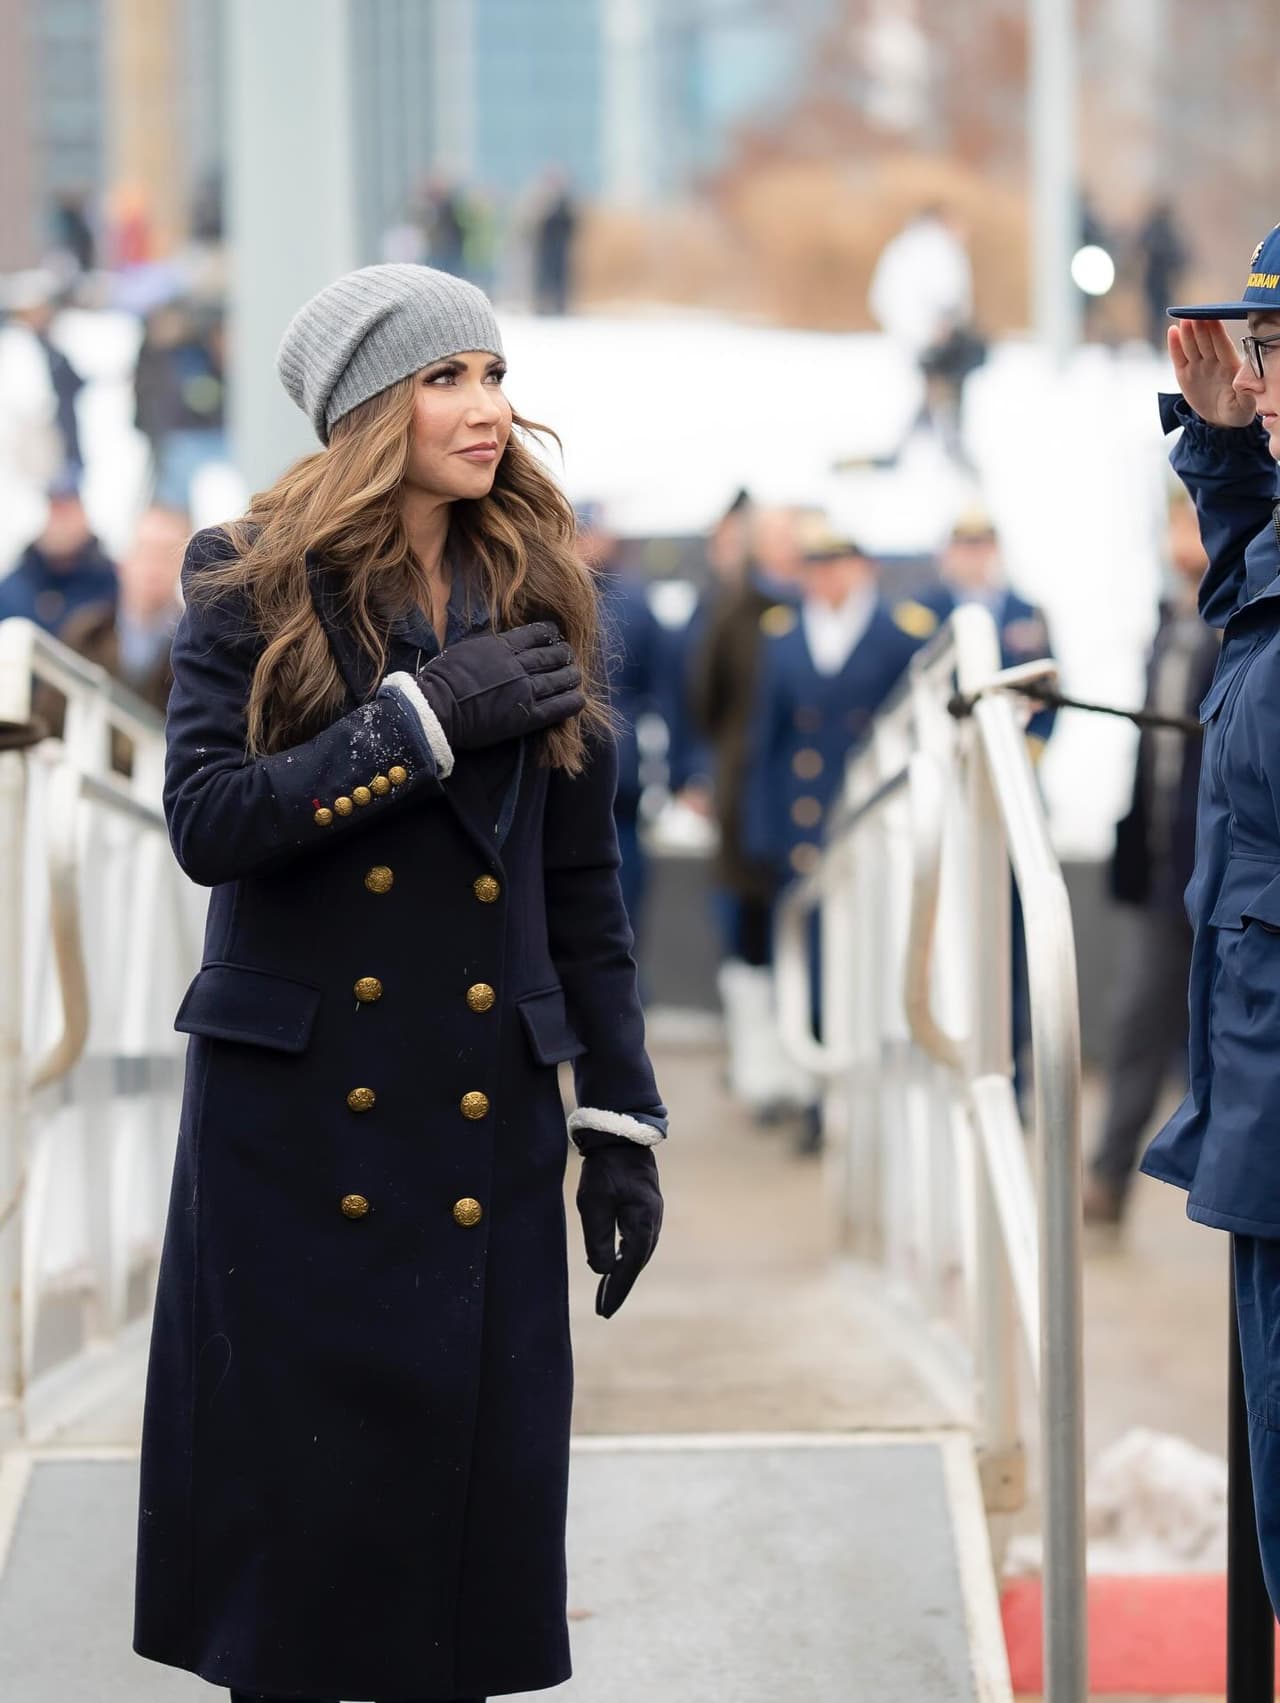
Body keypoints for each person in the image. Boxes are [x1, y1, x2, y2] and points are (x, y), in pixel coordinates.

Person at [132, 263, 667, 1703]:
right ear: (374, 406)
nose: (487, 408)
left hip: (481, 1122)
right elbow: (208, 822)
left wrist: (621, 1118)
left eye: (493, 374)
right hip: (295, 1139)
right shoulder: (244, 572)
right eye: (447, 379)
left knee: (454, 1598)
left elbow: (579, 885)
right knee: (298, 1605)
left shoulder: (547, 582)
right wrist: (415, 722)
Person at [1137, 224, 1280, 1615]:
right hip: (1260, 1098)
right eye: (1273, 345)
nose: (1273, 377)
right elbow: (1257, 589)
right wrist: (1227, 448)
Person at [741, 517, 927, 1149]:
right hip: (803, 829)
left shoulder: (897, 637)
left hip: (872, 827)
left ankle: (874, 1103)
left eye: (839, 563)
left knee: (876, 962)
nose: (828, 577)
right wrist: (761, 831)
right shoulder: (785, 639)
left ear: (863, 567)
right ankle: (821, 1105)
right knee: (815, 970)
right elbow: (765, 740)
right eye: (816, 565)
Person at [1084, 488, 1218, 1227]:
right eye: (1171, 518)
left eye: (1188, 517)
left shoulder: (1243, 612)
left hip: (1228, 872)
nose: (1178, 535)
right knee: (1136, 1022)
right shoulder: (1169, 622)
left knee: (1231, 1038)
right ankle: (1106, 1179)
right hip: (1167, 871)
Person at [575, 500, 666, 937]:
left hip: (622, 769)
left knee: (625, 884)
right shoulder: (546, 590)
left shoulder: (635, 600)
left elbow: (662, 688)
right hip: (563, 757)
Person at [0, 476, 117, 635]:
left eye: (67, 511)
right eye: (55, 509)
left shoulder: (112, 586)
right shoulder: (12, 587)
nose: (60, 524)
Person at [113, 504, 189, 712]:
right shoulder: (85, 634)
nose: (153, 566)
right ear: (124, 559)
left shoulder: (198, 647)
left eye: (166, 555)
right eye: (145, 551)